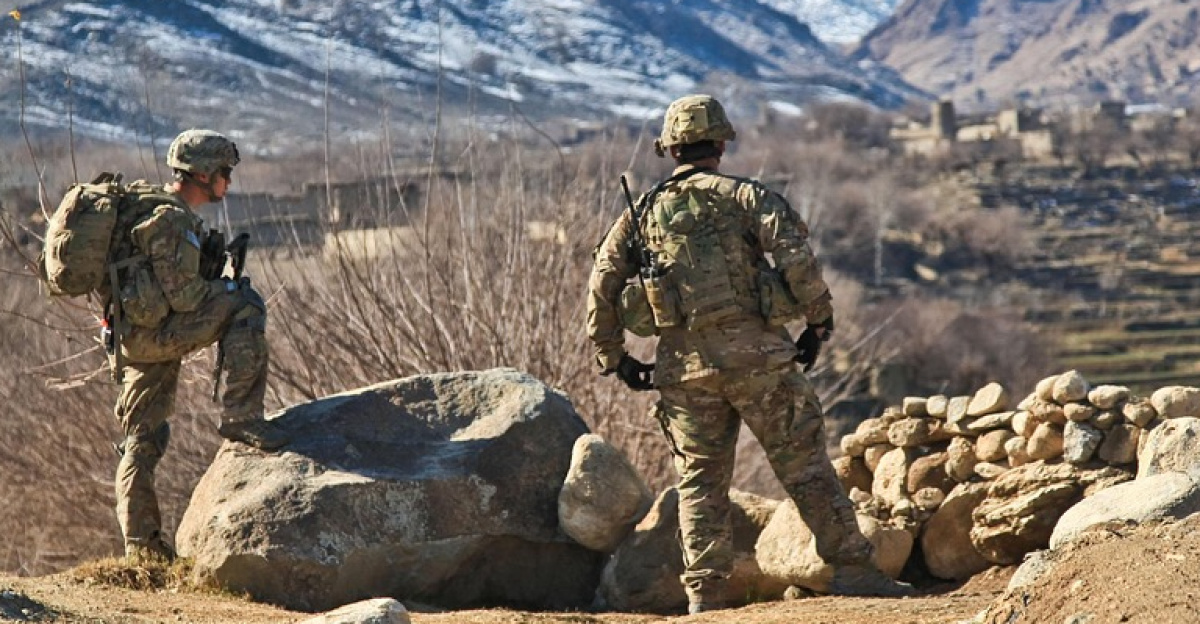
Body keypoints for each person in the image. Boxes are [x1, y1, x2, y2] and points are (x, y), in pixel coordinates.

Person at [586, 95, 913, 613]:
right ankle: (854, 571)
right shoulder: (747, 197)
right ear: (720, 144)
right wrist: (817, 321)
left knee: (700, 483)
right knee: (805, 468)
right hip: (762, 364)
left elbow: (603, 282)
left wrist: (615, 357)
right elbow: (796, 257)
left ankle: (706, 594)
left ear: (670, 149)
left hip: (685, 372)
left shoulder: (641, 212)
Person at [111, 129, 289, 562]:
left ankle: (143, 550)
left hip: (134, 336)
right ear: (204, 174)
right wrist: (223, 285)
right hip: (156, 334)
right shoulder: (171, 220)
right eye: (225, 172)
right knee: (246, 304)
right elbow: (186, 298)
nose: (229, 181)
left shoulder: (151, 207)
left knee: (143, 436)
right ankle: (242, 416)